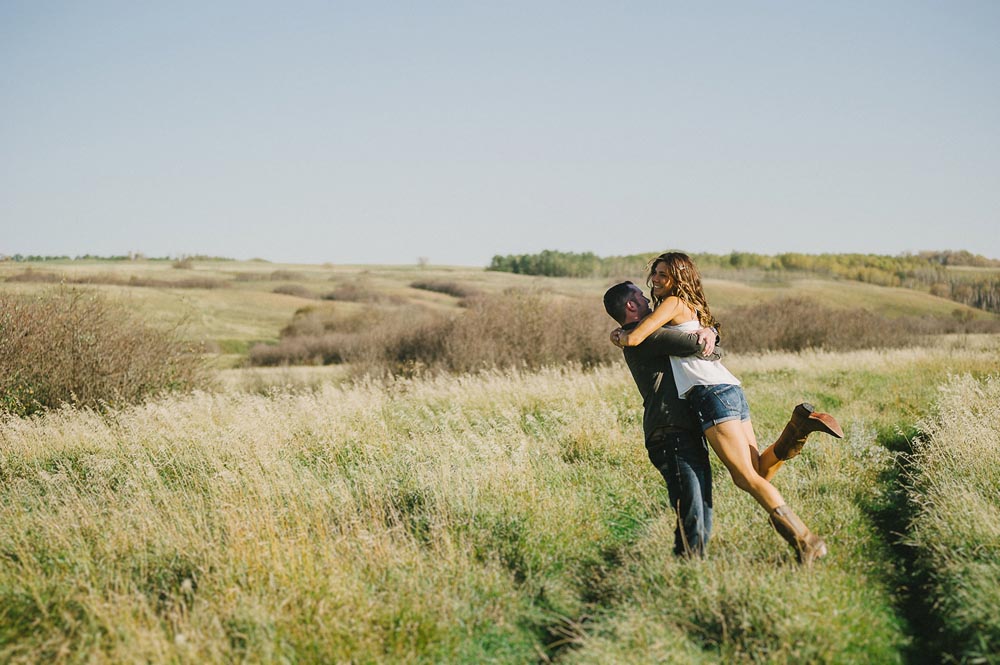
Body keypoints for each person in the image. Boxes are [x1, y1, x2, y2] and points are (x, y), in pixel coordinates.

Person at [608, 253, 844, 565]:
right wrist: (709, 332)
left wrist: (623, 336)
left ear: (676, 278)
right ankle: (796, 431)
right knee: (758, 470)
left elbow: (681, 342)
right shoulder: (677, 313)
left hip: (708, 393)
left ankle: (805, 540)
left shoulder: (657, 320)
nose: (650, 285)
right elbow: (698, 342)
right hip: (729, 387)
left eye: (660, 275)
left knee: (747, 477)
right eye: (644, 286)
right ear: (630, 306)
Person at [603, 280, 719, 557]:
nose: (647, 299)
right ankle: (690, 568)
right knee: (692, 506)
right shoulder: (646, 336)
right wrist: (711, 332)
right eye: (640, 296)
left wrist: (711, 330)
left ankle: (690, 564)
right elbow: (704, 348)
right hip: (670, 432)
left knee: (700, 504)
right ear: (631, 305)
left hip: (680, 429)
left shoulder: (640, 334)